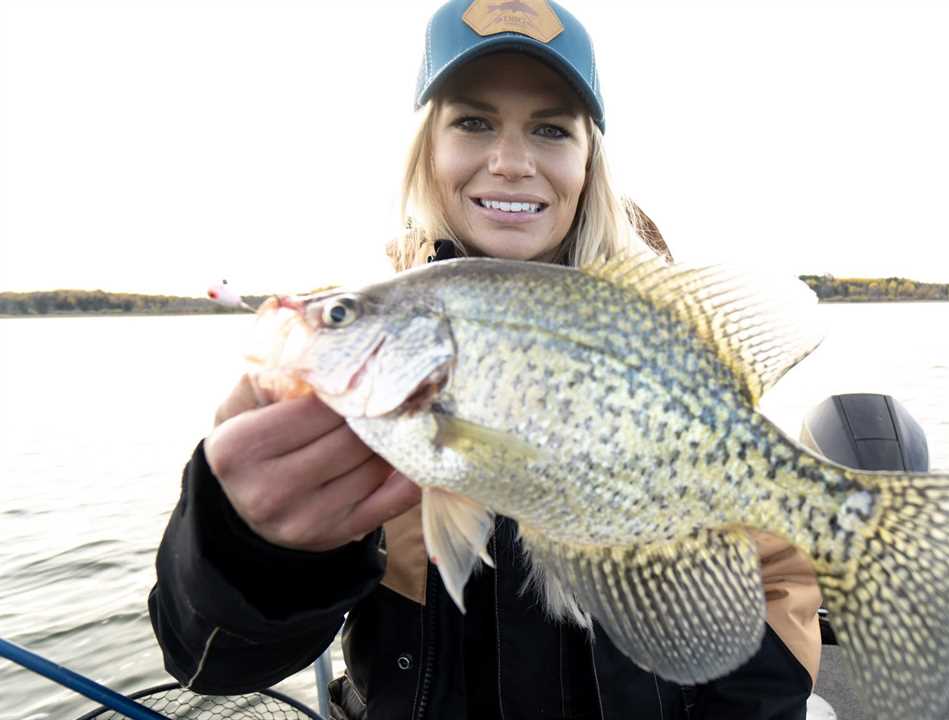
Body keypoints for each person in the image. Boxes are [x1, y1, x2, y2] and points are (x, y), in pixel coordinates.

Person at [148, 1, 821, 717]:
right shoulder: (340, 398)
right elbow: (210, 664)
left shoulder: (663, 341)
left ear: (588, 160)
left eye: (551, 129)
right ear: (427, 151)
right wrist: (247, 542)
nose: (510, 161)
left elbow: (774, 605)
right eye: (472, 122)